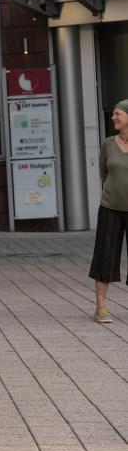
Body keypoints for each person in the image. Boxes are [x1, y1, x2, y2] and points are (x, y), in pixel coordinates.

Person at [88, 99, 128, 323]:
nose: (113, 117)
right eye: (113, 114)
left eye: (117, 114)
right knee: (105, 256)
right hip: (110, 208)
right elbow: (104, 172)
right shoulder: (108, 144)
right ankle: (101, 308)